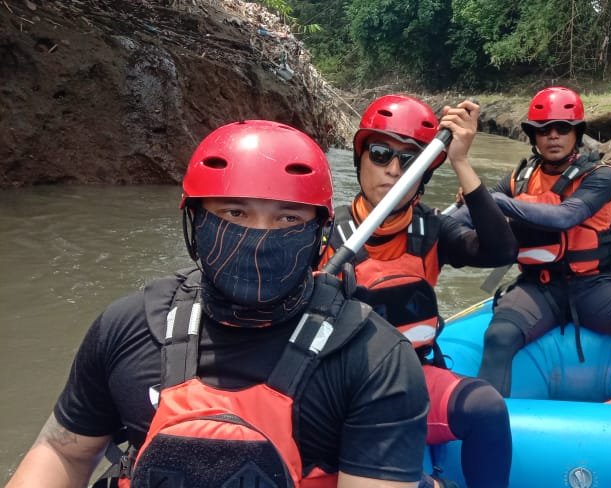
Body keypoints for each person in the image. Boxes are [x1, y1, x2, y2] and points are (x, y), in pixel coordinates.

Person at [6, 120, 429, 488]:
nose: (260, 238)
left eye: (287, 219)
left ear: (319, 233)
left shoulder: (374, 358)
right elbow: (64, 453)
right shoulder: (128, 326)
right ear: (196, 221)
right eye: (234, 214)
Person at [322, 95, 514, 488]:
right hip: (341, 390)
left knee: (488, 408)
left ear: (423, 175)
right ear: (360, 157)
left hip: (411, 377)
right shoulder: (321, 232)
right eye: (380, 153)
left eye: (410, 161)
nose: (393, 170)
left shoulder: (432, 229)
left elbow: (502, 251)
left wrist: (460, 161)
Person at [475, 86, 611, 406]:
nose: (552, 136)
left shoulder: (600, 176)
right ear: (533, 136)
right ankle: (488, 425)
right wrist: (469, 206)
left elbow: (566, 217)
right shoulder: (518, 178)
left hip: (594, 285)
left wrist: (495, 202)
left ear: (577, 133)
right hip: (537, 287)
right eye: (543, 129)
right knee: (498, 337)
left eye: (562, 128)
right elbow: (470, 215)